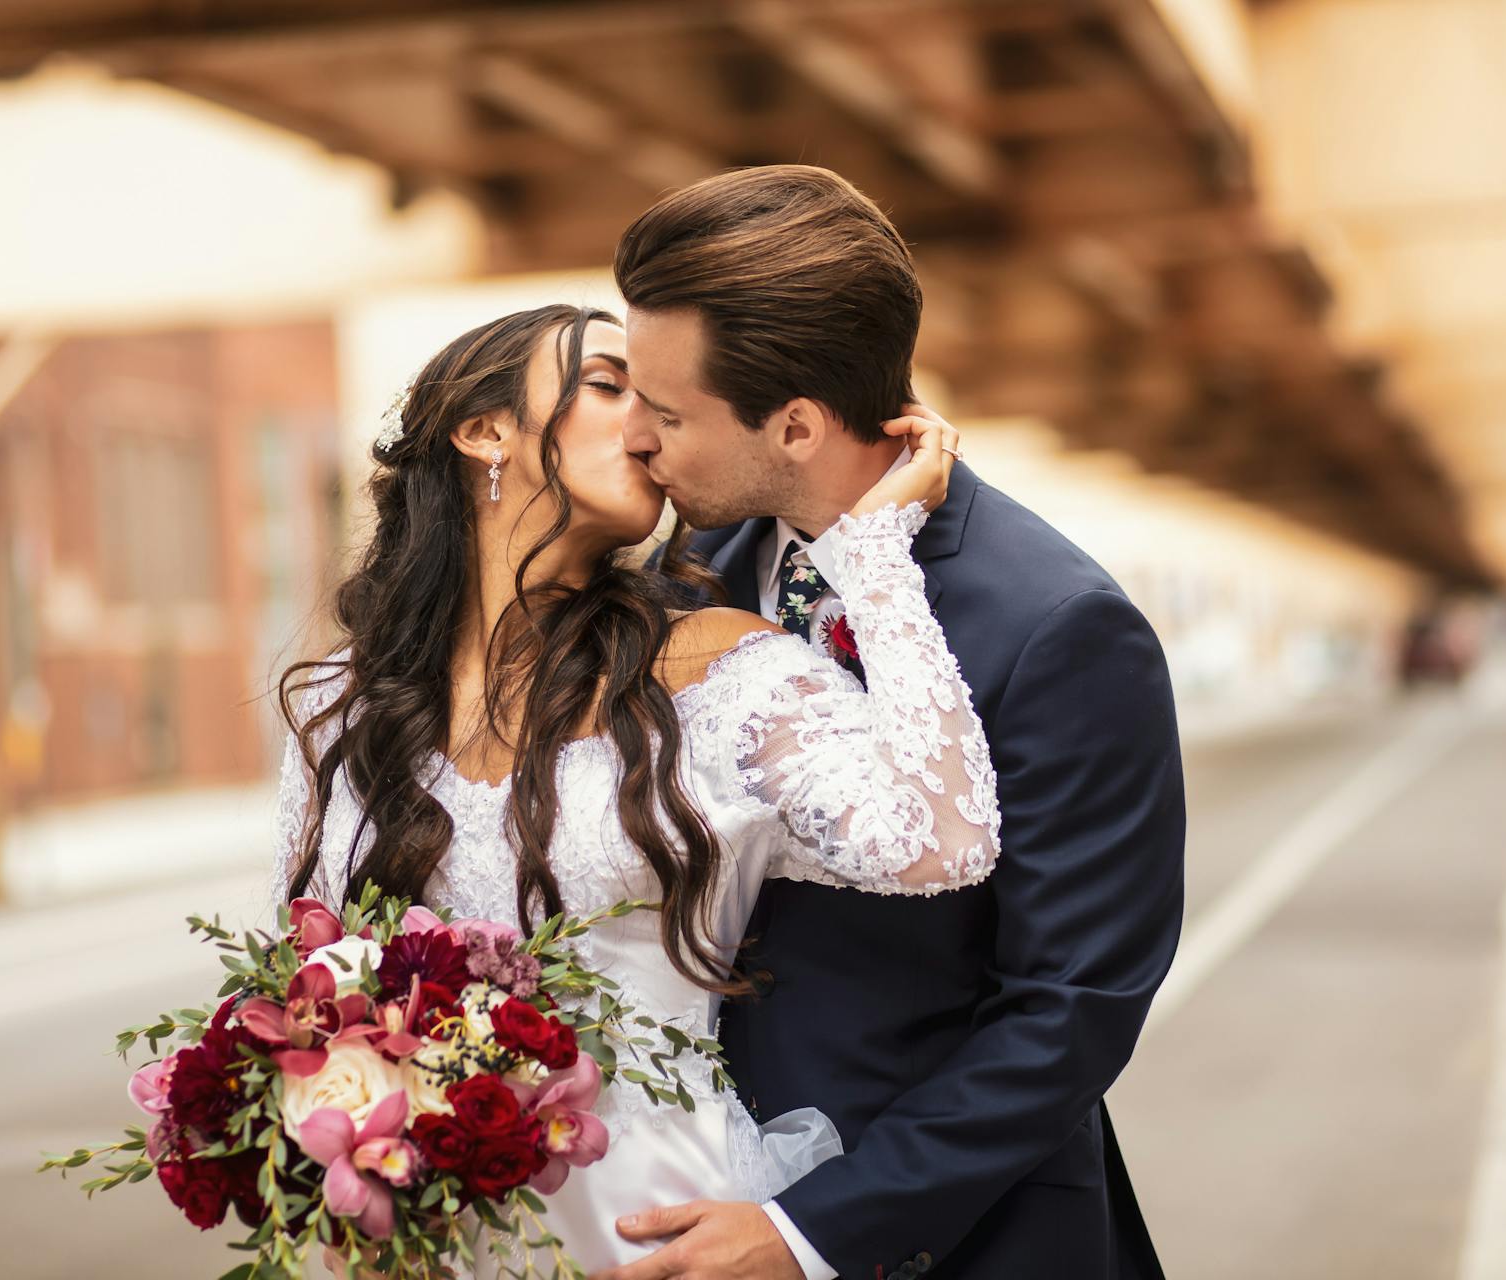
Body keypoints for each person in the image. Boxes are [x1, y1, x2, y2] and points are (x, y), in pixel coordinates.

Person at [268, 300, 1001, 1273]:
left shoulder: (712, 669)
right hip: (440, 1242)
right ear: (487, 430)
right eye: (612, 385)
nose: (648, 423)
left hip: (660, 1230)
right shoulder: (344, 702)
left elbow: (943, 838)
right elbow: (305, 987)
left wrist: (875, 559)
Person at [595, 165, 1184, 1280]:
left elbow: (1074, 1007)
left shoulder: (1060, 623)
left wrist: (814, 1230)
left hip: (959, 1238)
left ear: (799, 424)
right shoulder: (683, 584)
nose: (638, 438)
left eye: (667, 412)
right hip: (689, 1204)